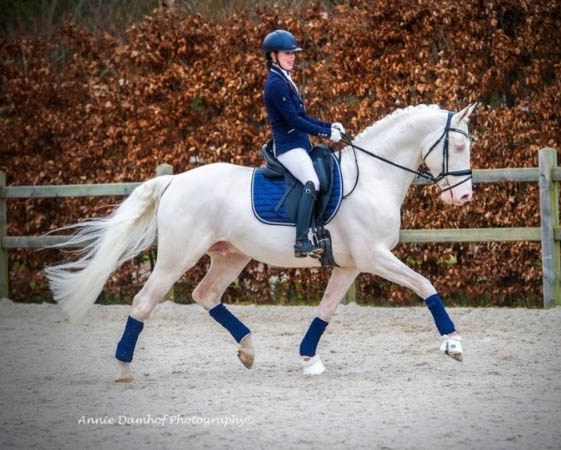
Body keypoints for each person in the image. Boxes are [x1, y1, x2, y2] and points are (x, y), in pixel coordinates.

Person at [262, 29, 345, 258]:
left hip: (300, 144)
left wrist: (330, 126)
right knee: (312, 181)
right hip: (288, 147)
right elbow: (293, 120)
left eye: (293, 53)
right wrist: (325, 133)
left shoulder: (285, 79)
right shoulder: (276, 84)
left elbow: (304, 116)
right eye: (287, 53)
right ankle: (301, 242)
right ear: (273, 56)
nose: (292, 57)